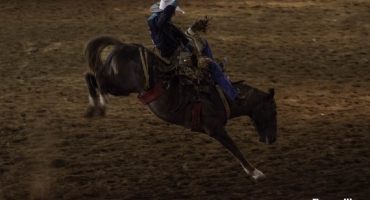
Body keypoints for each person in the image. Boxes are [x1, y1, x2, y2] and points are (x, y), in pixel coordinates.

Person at [148, 0, 238, 100]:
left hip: (178, 51)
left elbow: (178, 34)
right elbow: (165, 19)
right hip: (177, 56)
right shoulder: (159, 23)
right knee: (212, 67)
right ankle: (234, 96)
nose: (173, 14)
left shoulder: (159, 22)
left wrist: (188, 43)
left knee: (203, 42)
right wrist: (173, 4)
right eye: (173, 11)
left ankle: (213, 67)